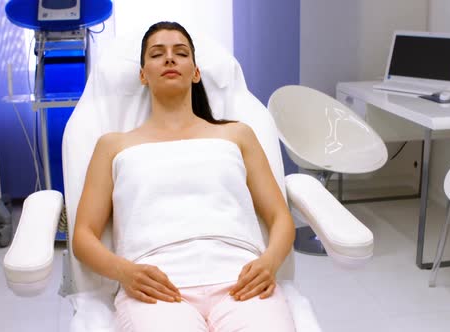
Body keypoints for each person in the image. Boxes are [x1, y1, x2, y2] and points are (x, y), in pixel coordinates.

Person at [72, 21, 296, 331]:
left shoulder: (237, 135)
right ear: (142, 74)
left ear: (195, 72)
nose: (169, 59)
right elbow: (83, 235)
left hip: (242, 280)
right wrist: (125, 272)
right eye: (156, 54)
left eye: (180, 52)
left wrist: (269, 263)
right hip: (157, 287)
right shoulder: (113, 146)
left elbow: (280, 217)